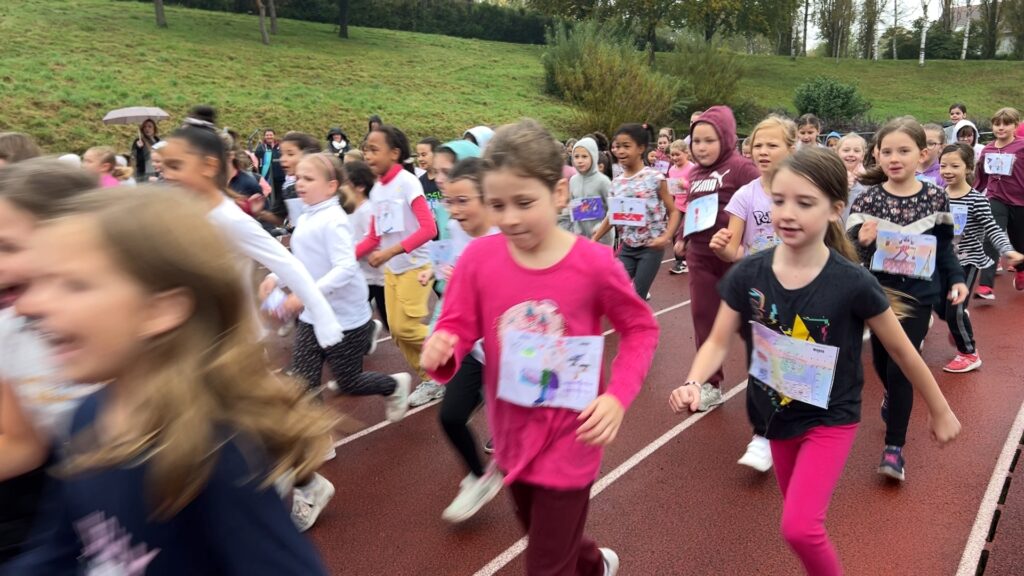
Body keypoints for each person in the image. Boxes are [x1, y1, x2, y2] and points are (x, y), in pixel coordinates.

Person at [9, 187, 331, 575]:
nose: (30, 305)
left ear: (160, 310)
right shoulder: (87, 417)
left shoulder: (212, 452)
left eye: (74, 285)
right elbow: (57, 551)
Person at [670, 147, 961, 576]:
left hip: (831, 418)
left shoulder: (852, 282)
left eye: (805, 203)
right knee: (799, 523)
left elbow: (901, 349)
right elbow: (717, 340)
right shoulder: (750, 272)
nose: (788, 213)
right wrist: (694, 381)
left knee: (800, 528)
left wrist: (940, 409)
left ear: (834, 210)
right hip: (773, 416)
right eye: (780, 200)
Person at [422, 119, 659, 576]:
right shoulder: (478, 259)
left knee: (546, 564)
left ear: (559, 194)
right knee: (542, 532)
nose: (509, 218)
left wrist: (617, 397)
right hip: (511, 431)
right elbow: (457, 324)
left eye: (524, 202)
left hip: (573, 433)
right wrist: (443, 345)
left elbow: (641, 329)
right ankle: (593, 565)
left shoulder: (593, 263)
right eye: (497, 205)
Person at [846, 117, 968, 481]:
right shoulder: (867, 199)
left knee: (902, 367)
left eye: (904, 150)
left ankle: (894, 449)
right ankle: (891, 396)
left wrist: (957, 279)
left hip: (918, 297)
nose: (894, 158)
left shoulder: (935, 196)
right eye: (886, 151)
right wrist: (862, 241)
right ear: (876, 155)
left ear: (923, 155)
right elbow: (849, 252)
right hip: (878, 295)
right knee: (884, 365)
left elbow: (945, 248)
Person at [259, 152, 410, 427]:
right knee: (303, 380)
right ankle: (319, 438)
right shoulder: (306, 216)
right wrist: (275, 277)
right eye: (298, 178)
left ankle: (393, 385)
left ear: (331, 186)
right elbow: (301, 258)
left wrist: (304, 295)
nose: (300, 183)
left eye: (308, 178)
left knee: (348, 381)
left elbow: (346, 268)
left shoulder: (334, 220)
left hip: (344, 317)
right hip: (313, 315)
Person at [0, 159, 98, 565]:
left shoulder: (120, 334)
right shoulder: (8, 327)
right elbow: (23, 442)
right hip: (64, 500)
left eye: (7, 246)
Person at [416, 158, 505, 523]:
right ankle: (477, 476)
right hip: (474, 347)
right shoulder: (455, 228)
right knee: (451, 416)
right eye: (450, 202)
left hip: (511, 354)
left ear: (487, 198)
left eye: (462, 201)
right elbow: (454, 268)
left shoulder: (507, 237)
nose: (453, 211)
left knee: (525, 455)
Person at [682, 106, 760, 410]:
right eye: (696, 141)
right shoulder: (693, 173)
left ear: (726, 139)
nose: (701, 148)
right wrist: (680, 239)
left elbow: (762, 201)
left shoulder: (742, 168)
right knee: (704, 319)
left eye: (709, 141)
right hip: (700, 258)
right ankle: (711, 384)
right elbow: (691, 209)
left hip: (737, 261)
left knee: (754, 323)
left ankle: (775, 380)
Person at [355, 125, 438, 406]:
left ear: (395, 153)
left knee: (405, 329)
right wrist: (346, 256)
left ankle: (458, 346)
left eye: (374, 149)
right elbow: (374, 236)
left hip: (416, 265)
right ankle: (432, 379)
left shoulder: (408, 183)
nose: (368, 154)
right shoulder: (377, 189)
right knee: (397, 332)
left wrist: (389, 251)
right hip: (392, 269)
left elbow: (429, 228)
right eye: (366, 148)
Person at [936, 143, 1023, 373]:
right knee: (940, 308)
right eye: (943, 165)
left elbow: (993, 229)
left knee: (953, 308)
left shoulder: (977, 200)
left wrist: (1008, 251)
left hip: (967, 261)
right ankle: (958, 319)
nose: (947, 170)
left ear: (968, 168)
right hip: (939, 262)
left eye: (955, 165)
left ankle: (968, 353)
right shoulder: (936, 196)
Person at [591, 124, 679, 301]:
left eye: (626, 146)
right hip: (628, 248)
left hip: (651, 248)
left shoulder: (655, 178)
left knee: (637, 297)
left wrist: (666, 237)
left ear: (641, 148)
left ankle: (640, 326)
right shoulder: (616, 183)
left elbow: (674, 211)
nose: (620, 151)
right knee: (615, 290)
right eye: (617, 146)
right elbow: (613, 216)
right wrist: (594, 238)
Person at [975, 107, 1024, 299]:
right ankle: (986, 285)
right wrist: (973, 193)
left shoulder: (1022, 146)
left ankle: (1021, 271)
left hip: (1020, 201)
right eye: (997, 124)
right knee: (992, 236)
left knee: (1019, 241)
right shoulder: (987, 149)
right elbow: (982, 177)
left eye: (1006, 123)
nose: (1001, 127)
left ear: (1015, 126)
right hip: (996, 199)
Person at [345, 160, 388, 337]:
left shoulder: (368, 210)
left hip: (378, 276)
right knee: (350, 314)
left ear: (360, 186)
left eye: (344, 183)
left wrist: (348, 255)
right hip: (362, 275)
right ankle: (365, 332)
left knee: (393, 323)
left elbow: (372, 240)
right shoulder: (350, 209)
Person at [562, 137, 612, 247]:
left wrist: (601, 228)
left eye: (584, 156)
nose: (580, 160)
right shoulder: (573, 181)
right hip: (580, 238)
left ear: (593, 157)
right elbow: (570, 206)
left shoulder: (603, 181)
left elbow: (613, 210)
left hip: (601, 239)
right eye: (576, 156)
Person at [667, 139, 693, 275]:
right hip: (677, 205)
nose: (675, 158)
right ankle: (680, 259)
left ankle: (684, 260)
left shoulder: (692, 168)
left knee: (685, 234)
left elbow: (698, 186)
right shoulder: (671, 170)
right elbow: (671, 189)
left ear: (686, 153)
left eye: (678, 154)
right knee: (674, 231)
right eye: (672, 155)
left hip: (690, 205)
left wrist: (686, 185)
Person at [836, 133, 868, 220]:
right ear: (837, 153)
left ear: (862, 156)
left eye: (856, 151)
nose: (851, 154)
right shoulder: (830, 176)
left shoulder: (868, 181)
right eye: (846, 150)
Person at [254, 129, 286, 205]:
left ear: (274, 136)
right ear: (264, 137)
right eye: (267, 135)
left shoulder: (280, 146)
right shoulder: (261, 147)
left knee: (281, 196)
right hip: (268, 177)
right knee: (270, 197)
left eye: (271, 135)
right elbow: (257, 161)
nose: (269, 137)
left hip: (281, 176)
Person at [916, 123, 947, 187]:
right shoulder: (907, 170)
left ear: (941, 148)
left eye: (930, 144)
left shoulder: (944, 175)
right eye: (921, 142)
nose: (924, 147)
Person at [416, 137, 442, 204]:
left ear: (436, 154)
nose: (420, 159)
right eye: (418, 155)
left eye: (423, 155)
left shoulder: (447, 178)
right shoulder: (419, 182)